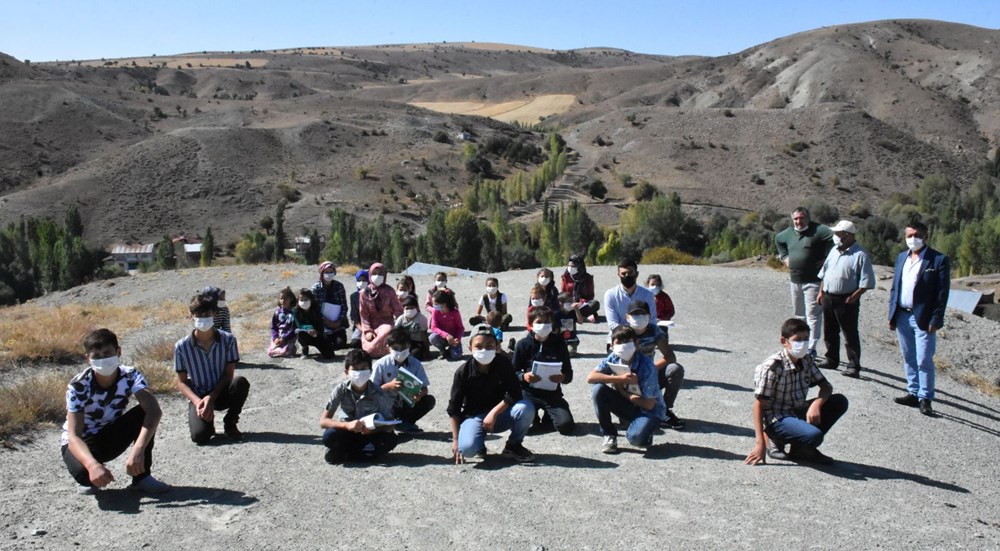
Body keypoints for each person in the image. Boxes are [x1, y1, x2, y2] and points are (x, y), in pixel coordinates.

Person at [61, 328, 170, 495]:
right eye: (96, 356)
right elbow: (73, 436)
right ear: (87, 359)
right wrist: (92, 465)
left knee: (144, 413)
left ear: (118, 352)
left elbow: (154, 411)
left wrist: (138, 450)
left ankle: (142, 477)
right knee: (86, 477)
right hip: (83, 442)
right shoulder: (78, 386)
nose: (103, 359)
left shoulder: (130, 375)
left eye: (107, 353)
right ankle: (94, 469)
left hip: (110, 434)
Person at [745, 318, 848, 466]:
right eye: (798, 339)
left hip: (796, 410)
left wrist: (816, 404)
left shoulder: (806, 360)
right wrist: (759, 444)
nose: (803, 343)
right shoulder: (772, 367)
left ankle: (801, 449)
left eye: (806, 339)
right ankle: (773, 438)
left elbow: (826, 387)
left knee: (839, 401)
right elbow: (758, 405)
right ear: (784, 341)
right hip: (776, 418)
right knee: (814, 435)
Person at [448, 324, 536, 463]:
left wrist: (494, 413)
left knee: (526, 407)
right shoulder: (462, 372)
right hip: (475, 416)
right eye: (479, 346)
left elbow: (515, 392)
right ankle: (478, 443)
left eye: (489, 345)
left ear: (497, 347)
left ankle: (513, 445)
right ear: (470, 349)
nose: (484, 349)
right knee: (467, 449)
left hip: (501, 414)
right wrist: (455, 440)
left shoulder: (504, 363)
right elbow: (454, 408)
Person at [888, 221, 950, 416]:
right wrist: (891, 313)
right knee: (908, 356)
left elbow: (942, 293)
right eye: (909, 235)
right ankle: (913, 392)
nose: (912, 239)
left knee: (924, 359)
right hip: (902, 315)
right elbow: (895, 287)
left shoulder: (938, 260)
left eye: (917, 235)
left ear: (925, 236)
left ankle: (926, 398)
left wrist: (936, 319)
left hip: (923, 318)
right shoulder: (901, 258)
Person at [174, 293, 250, 444]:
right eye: (199, 315)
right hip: (199, 397)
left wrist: (212, 397)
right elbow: (181, 382)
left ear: (214, 314)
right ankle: (208, 424)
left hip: (221, 393)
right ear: (191, 316)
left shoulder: (228, 340)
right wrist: (198, 402)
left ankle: (230, 423)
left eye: (207, 314)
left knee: (240, 383)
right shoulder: (181, 347)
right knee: (200, 437)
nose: (203, 318)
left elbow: (229, 375)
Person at [587, 326, 665, 454]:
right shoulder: (613, 358)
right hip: (629, 404)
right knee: (598, 389)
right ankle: (609, 435)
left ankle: (645, 429)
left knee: (635, 439)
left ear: (636, 344)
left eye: (628, 342)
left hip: (650, 411)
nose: (624, 346)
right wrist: (620, 378)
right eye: (619, 343)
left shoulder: (647, 366)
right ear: (611, 346)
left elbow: (649, 404)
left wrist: (622, 392)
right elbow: (591, 377)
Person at [816, 220, 876, 378]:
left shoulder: (860, 255)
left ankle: (853, 365)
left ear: (848, 235)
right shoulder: (834, 251)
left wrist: (853, 297)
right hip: (828, 296)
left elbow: (867, 282)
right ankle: (831, 359)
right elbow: (825, 273)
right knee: (829, 330)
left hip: (846, 299)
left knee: (849, 333)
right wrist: (821, 292)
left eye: (838, 234)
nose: (835, 236)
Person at [774, 207, 834, 358]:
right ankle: (799, 345)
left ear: (808, 218)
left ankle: (811, 347)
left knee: (813, 316)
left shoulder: (819, 230)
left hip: (813, 281)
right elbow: (778, 240)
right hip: (795, 280)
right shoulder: (788, 233)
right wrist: (784, 257)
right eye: (796, 219)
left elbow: (833, 237)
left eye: (802, 218)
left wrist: (828, 259)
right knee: (799, 315)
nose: (799, 222)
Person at [320, 349, 398, 464]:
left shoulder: (379, 392)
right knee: (329, 435)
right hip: (347, 432)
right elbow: (323, 421)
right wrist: (346, 425)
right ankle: (362, 453)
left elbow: (390, 424)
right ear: (346, 372)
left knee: (390, 440)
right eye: (355, 369)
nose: (360, 373)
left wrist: (374, 430)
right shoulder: (340, 390)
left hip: (370, 433)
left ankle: (348, 453)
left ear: (370, 371)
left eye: (363, 369)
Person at [511, 307, 576, 435]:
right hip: (528, 393)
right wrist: (523, 376)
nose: (544, 325)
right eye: (539, 322)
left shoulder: (559, 343)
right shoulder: (523, 344)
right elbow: (513, 372)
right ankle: (533, 416)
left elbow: (568, 372)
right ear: (530, 325)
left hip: (552, 393)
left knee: (566, 426)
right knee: (521, 426)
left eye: (547, 322)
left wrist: (563, 377)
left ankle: (549, 416)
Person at [626, 299, 685, 429]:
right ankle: (630, 408)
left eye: (642, 314)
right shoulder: (623, 332)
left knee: (675, 369)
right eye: (635, 315)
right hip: (630, 378)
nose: (639, 318)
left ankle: (665, 409)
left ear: (649, 316)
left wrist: (650, 369)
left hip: (650, 375)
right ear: (627, 317)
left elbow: (670, 356)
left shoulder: (654, 330)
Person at [372, 329, 436, 433]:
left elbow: (424, 387)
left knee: (429, 400)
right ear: (388, 348)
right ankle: (386, 422)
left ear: (409, 346)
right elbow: (371, 390)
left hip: (406, 403)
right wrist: (388, 386)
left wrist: (420, 395)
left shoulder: (415, 364)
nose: (400, 351)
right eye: (396, 348)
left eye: (404, 348)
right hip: (386, 403)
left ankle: (405, 422)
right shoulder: (380, 365)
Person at [603, 258, 658, 343]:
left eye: (630, 273)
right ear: (618, 274)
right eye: (623, 274)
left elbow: (652, 321)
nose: (627, 276)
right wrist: (630, 336)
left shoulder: (648, 295)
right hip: (619, 338)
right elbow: (613, 324)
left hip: (643, 337)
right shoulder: (611, 295)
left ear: (636, 274)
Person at [359, 262, 404, 358]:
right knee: (368, 349)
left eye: (380, 274)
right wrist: (367, 331)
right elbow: (363, 314)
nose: (377, 276)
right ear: (370, 274)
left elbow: (398, 310)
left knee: (387, 330)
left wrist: (399, 326)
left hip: (386, 324)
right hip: (371, 326)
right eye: (374, 273)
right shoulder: (364, 293)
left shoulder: (390, 291)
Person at [312, 261, 349, 350]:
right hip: (323, 323)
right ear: (321, 273)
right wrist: (326, 322)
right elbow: (314, 309)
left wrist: (339, 321)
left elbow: (344, 306)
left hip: (338, 324)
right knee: (325, 344)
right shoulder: (316, 288)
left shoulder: (339, 286)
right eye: (326, 272)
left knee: (340, 344)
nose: (329, 274)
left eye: (331, 272)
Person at [295, 288, 335, 359]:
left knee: (330, 355)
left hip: (316, 334)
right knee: (301, 335)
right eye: (301, 300)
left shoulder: (316, 308)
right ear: (298, 301)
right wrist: (309, 328)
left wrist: (316, 332)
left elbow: (321, 325)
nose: (304, 302)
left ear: (311, 300)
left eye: (306, 299)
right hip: (304, 334)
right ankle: (305, 349)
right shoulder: (296, 311)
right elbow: (299, 325)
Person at [560, 254, 600, 320]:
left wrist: (581, 302)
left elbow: (590, 296)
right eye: (569, 266)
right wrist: (570, 301)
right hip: (569, 303)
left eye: (573, 266)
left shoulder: (588, 278)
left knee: (595, 304)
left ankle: (575, 315)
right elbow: (562, 294)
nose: (570, 268)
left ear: (580, 267)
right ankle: (581, 316)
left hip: (581, 304)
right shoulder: (565, 277)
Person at [429, 289, 465, 360]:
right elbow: (434, 327)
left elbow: (460, 328)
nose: (434, 306)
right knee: (432, 338)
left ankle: (450, 349)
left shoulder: (455, 312)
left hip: (454, 338)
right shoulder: (435, 311)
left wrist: (457, 339)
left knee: (457, 357)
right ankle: (443, 351)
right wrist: (446, 335)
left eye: (435, 304)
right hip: (442, 337)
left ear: (444, 303)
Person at [394, 295, 430, 360]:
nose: (409, 310)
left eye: (411, 308)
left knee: (415, 353)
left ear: (416, 308)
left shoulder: (421, 318)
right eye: (407, 308)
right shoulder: (401, 318)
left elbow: (424, 335)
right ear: (403, 309)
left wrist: (427, 350)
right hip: (405, 342)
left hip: (417, 342)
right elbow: (395, 332)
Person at [268, 287, 298, 358]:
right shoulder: (277, 312)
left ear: (291, 299)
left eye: (286, 299)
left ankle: (291, 348)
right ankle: (280, 349)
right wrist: (275, 338)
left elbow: (294, 329)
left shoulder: (294, 313)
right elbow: (274, 327)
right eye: (281, 299)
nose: (283, 301)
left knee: (285, 351)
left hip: (289, 337)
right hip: (279, 337)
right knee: (270, 352)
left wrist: (284, 339)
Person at [348, 270, 368, 349]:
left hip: (373, 325)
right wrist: (363, 329)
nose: (361, 282)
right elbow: (354, 317)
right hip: (360, 326)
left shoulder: (373, 294)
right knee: (355, 343)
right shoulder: (354, 296)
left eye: (364, 280)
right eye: (359, 280)